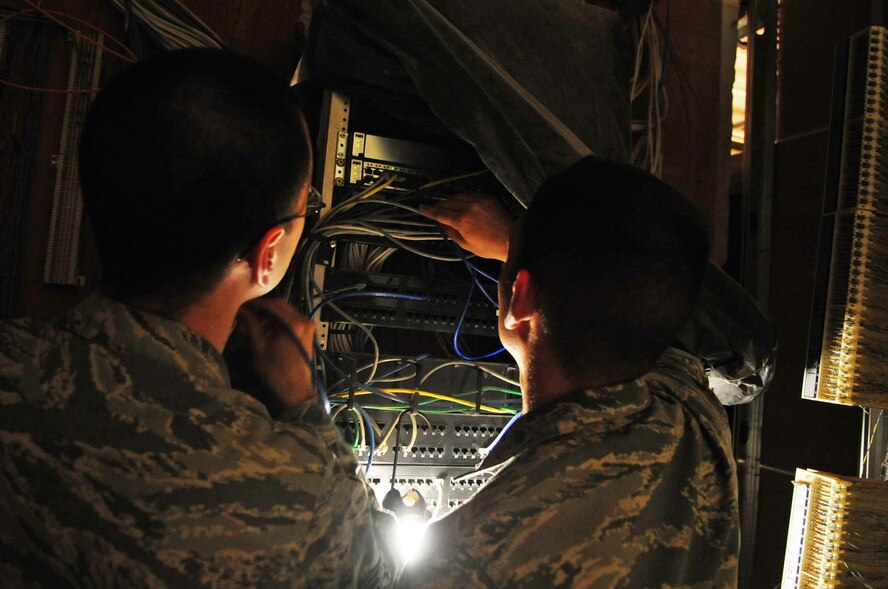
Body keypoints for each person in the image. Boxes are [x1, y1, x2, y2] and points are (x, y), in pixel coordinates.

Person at [0, 49, 399, 588]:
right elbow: (375, 571)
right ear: (268, 253)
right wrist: (308, 406)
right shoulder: (296, 500)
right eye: (309, 202)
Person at [400, 156, 740, 588]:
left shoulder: (470, 557)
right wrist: (527, 256)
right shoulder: (695, 420)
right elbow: (633, 292)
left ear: (520, 297)